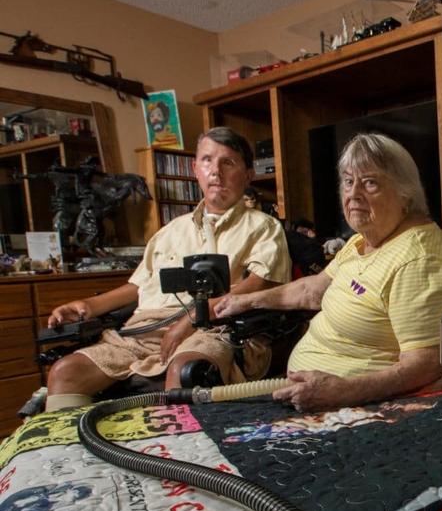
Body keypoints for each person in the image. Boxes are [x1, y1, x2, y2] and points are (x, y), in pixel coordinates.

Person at [44, 127, 291, 411]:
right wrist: (86, 305)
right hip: (143, 330)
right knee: (66, 372)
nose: (216, 172)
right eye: (208, 161)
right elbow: (139, 287)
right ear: (195, 168)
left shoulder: (262, 227)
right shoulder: (170, 232)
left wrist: (192, 320)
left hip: (215, 329)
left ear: (248, 174)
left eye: (228, 162)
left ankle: (172, 453)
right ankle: (72, 454)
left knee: (185, 371)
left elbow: (258, 287)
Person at [216, 133, 442, 412]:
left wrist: (342, 391)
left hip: (363, 407)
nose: (353, 194)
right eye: (348, 181)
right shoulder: (364, 240)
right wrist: (245, 301)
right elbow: (313, 290)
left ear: (404, 192)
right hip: (312, 396)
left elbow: (426, 365)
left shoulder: (420, 260)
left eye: (369, 183)